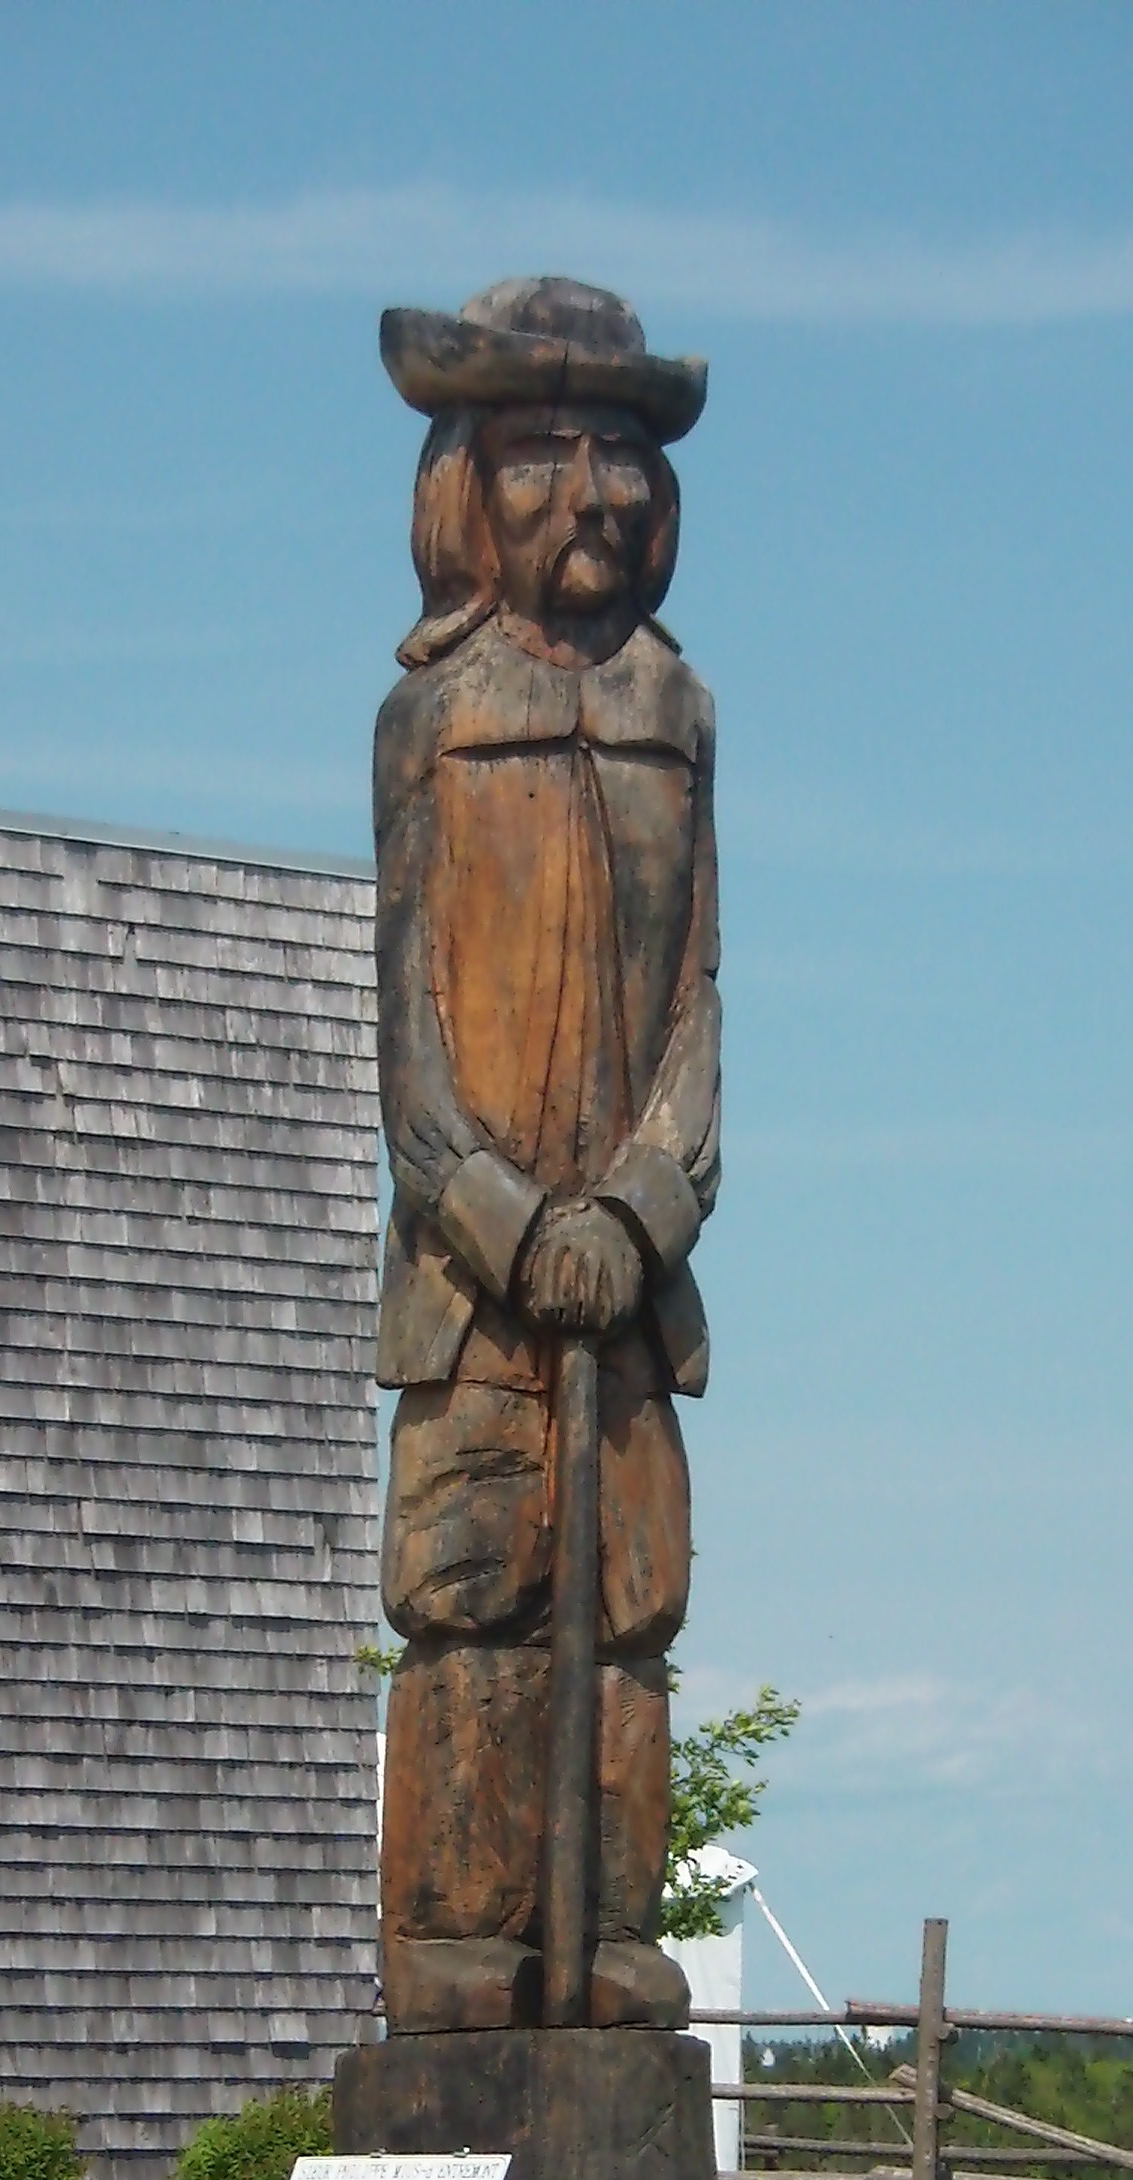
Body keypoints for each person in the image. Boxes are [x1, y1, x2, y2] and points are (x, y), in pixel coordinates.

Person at [374, 275, 720, 2034]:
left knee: (627, 1608)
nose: (591, 495)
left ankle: (606, 1926)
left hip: (633, 1293)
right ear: (464, 487)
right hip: (476, 1290)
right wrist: (510, 1224)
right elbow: (412, 1047)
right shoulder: (434, 719)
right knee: (473, 1595)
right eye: (541, 456)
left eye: (620, 458)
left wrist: (642, 1211)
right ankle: (462, 1937)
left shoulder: (676, 714)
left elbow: (699, 1017)